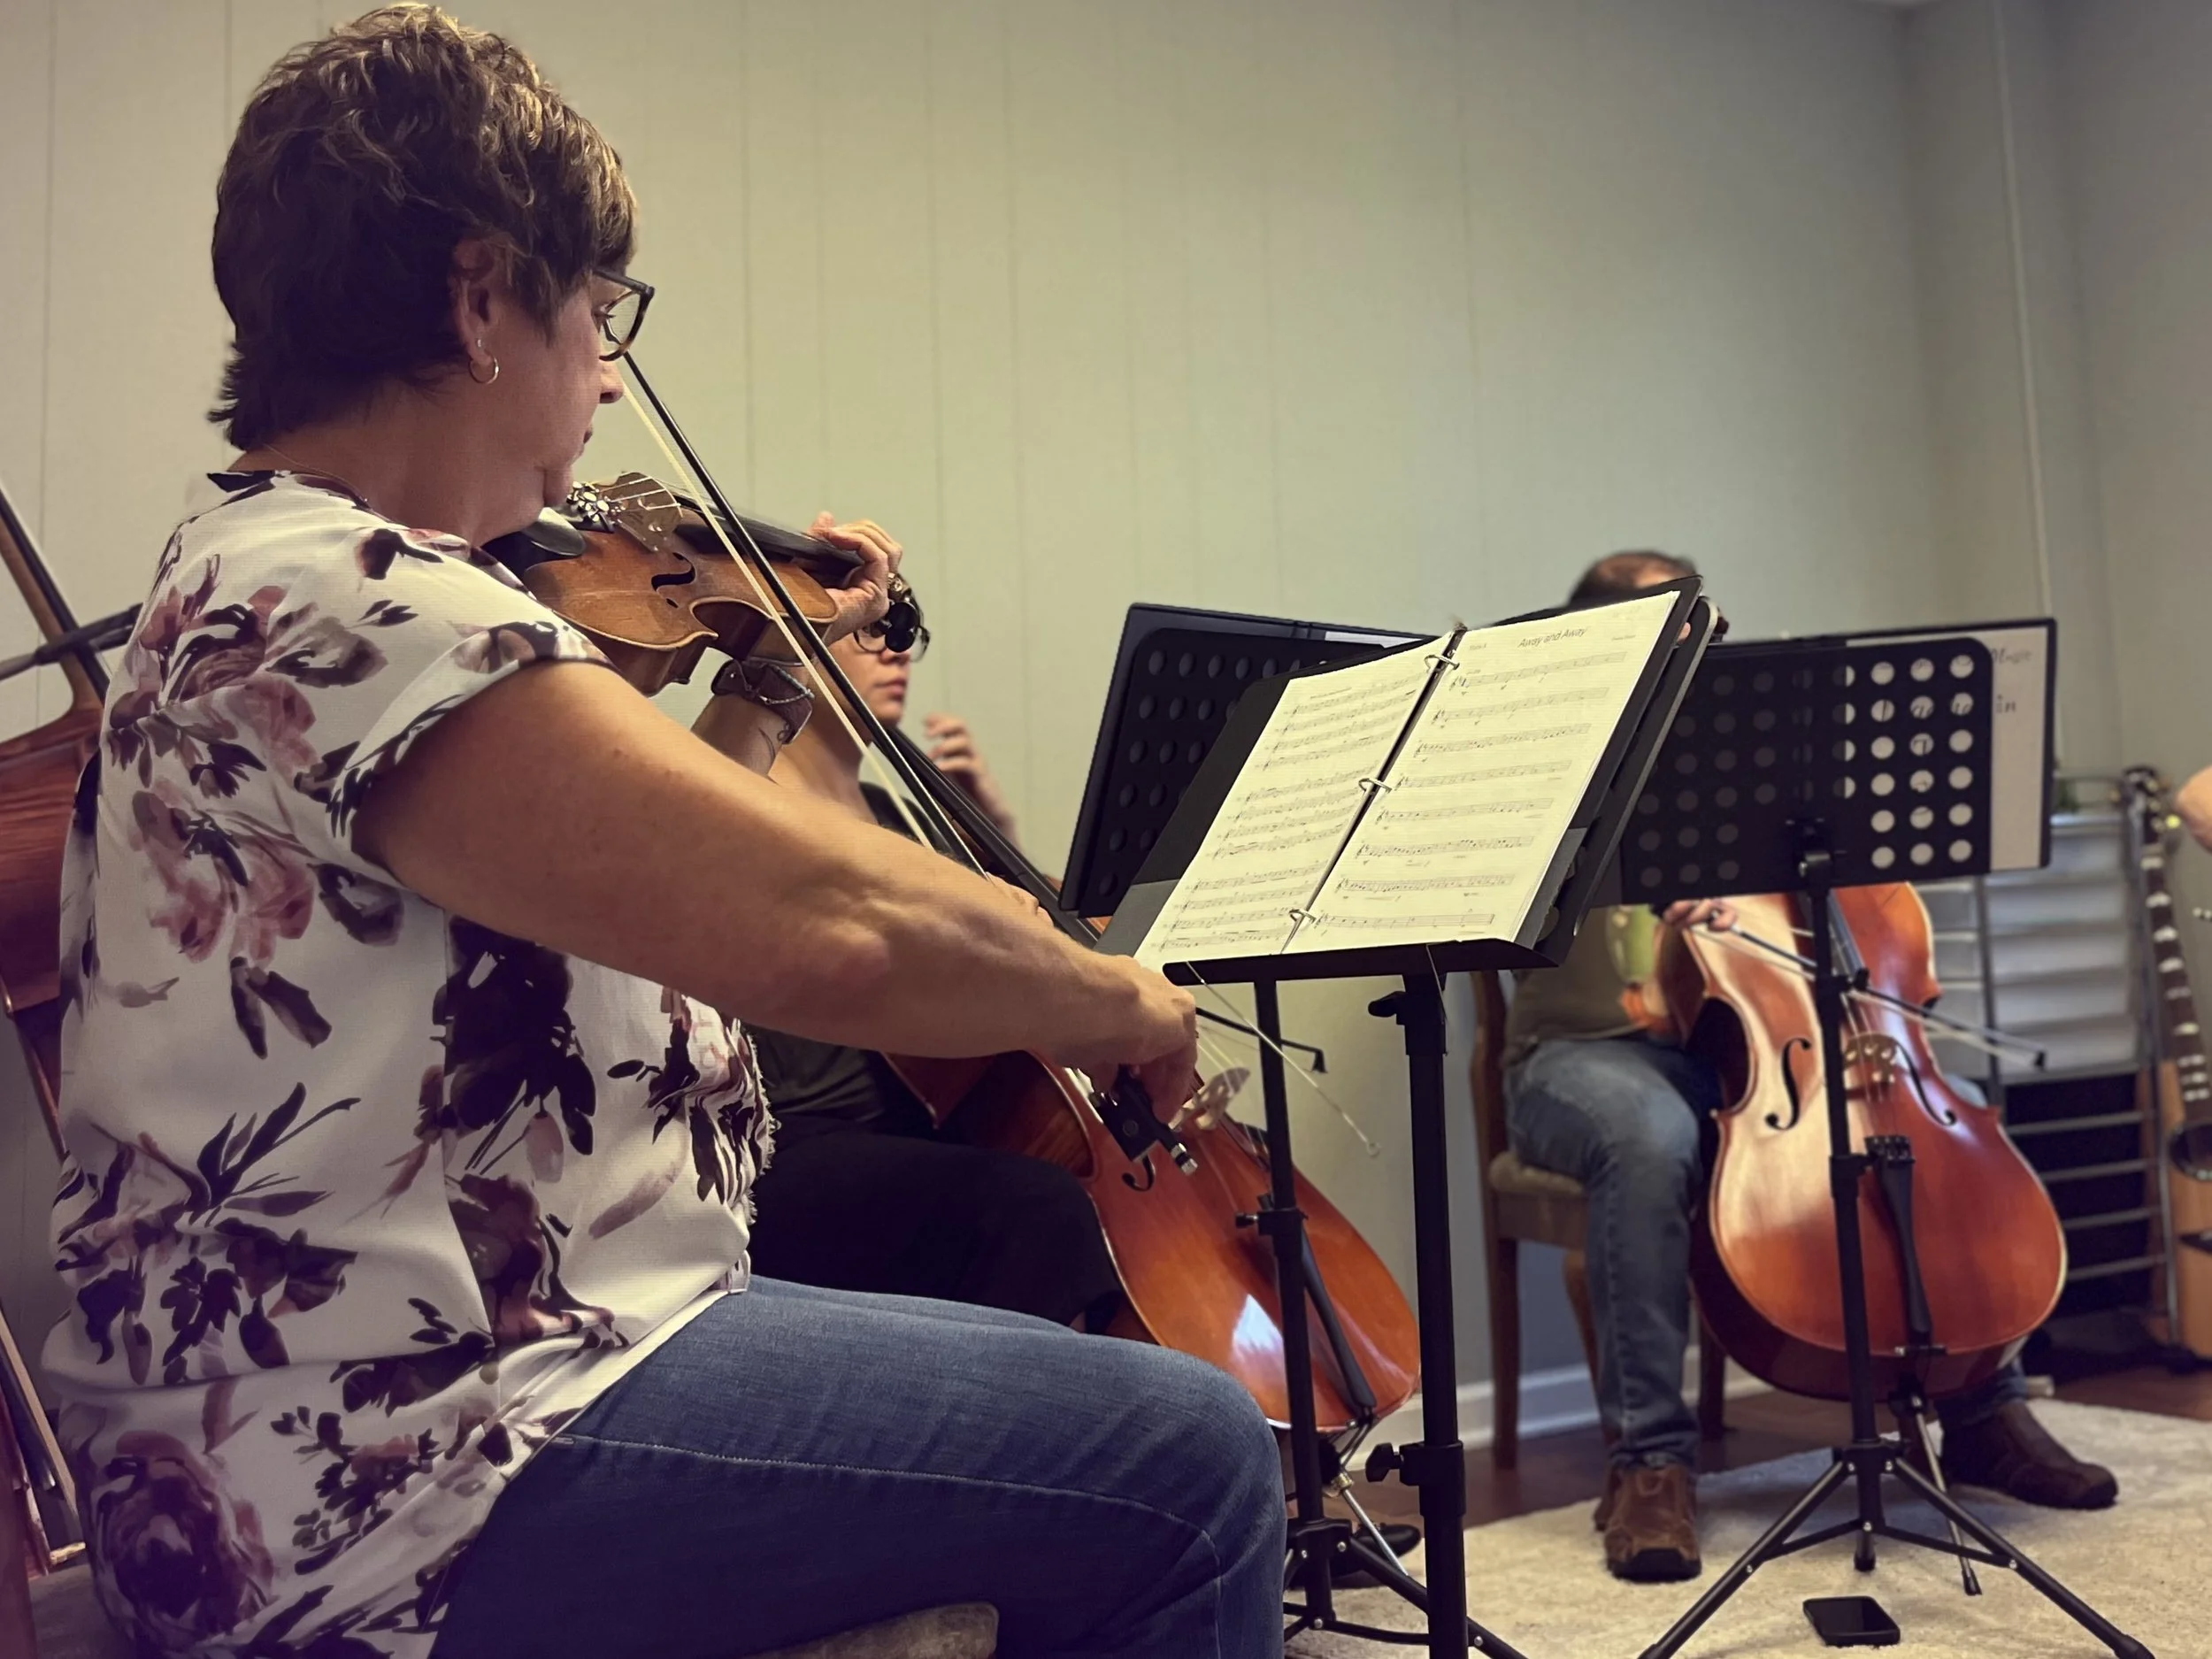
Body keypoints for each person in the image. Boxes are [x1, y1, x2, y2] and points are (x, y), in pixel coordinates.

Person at [41, 11, 1283, 1658]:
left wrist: (771, 691)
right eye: (598, 311)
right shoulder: (345, 600)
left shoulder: (289, 583)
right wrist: (1115, 997)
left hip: (450, 1389)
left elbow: (652, 863)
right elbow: (822, 923)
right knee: (1183, 1460)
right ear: (483, 301)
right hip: (403, 1463)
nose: (612, 370)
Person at [1503, 549, 2118, 1585]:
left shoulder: (1756, 757)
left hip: (1766, 1047)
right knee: (1647, 1143)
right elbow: (1587, 964)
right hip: (1588, 1057)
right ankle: (1648, 1465)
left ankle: (1980, 1412)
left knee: (1901, 1133)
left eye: (1697, 633)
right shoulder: (1540, 773)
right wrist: (1663, 932)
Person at [697, 626, 1124, 1329]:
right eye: (868, 633)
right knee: (1036, 1207)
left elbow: (1027, 949)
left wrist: (992, 829)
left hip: (915, 1121)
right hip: (792, 1137)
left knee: (1078, 1193)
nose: (896, 652)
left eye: (903, 634)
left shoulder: (897, 812)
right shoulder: (758, 794)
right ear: (802, 645)